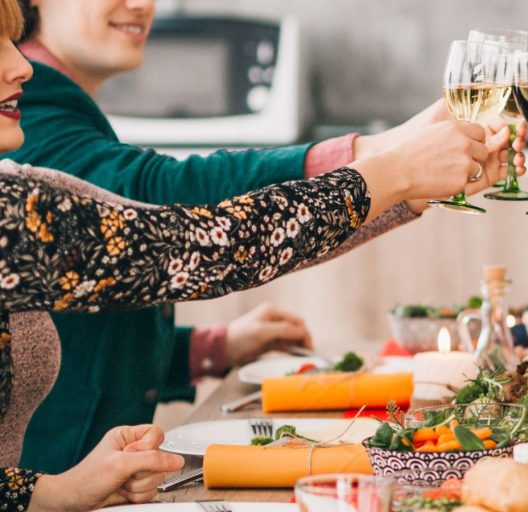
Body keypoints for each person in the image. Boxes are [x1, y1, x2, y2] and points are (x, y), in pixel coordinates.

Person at [0, 1, 502, 508]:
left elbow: (167, 252)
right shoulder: (15, 201)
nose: (20, 64)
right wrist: (391, 170)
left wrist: (52, 493)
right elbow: (203, 239)